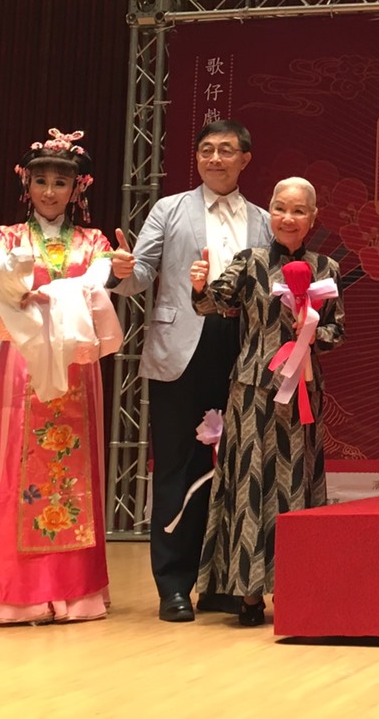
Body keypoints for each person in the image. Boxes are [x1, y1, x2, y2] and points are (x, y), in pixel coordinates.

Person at [0, 129, 122, 625]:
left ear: (76, 189)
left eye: (60, 183)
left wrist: (72, 288)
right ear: (27, 185)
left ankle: (73, 592)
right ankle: (17, 593)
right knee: (13, 472)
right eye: (41, 181)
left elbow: (99, 282)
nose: (49, 191)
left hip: (74, 365)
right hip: (21, 365)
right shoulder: (5, 237)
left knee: (71, 475)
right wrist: (13, 288)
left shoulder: (94, 241)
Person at [109, 118, 269, 623]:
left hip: (242, 348)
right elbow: (139, 275)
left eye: (226, 150)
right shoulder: (169, 209)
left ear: (245, 159)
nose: (215, 158)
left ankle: (223, 584)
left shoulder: (264, 221)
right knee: (178, 465)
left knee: (235, 465)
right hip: (182, 348)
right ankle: (174, 586)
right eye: (206, 150)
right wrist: (120, 271)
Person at [189, 177, 344, 627]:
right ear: (270, 212)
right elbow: (211, 304)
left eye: (298, 211)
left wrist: (311, 332)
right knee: (250, 485)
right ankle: (250, 593)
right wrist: (198, 287)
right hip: (253, 387)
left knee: (296, 484)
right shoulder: (250, 261)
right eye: (280, 208)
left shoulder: (327, 267)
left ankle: (298, 587)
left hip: (303, 392)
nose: (287, 218)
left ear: (313, 218)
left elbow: (337, 331)